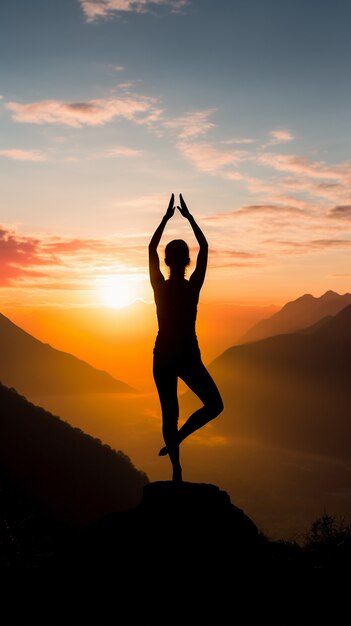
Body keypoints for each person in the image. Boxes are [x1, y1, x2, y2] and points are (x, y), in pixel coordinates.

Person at [148, 193, 224, 482]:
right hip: (187, 355)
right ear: (187, 261)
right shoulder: (193, 287)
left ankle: (176, 467)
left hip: (164, 354)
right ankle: (178, 441)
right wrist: (190, 219)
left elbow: (151, 247)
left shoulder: (159, 286)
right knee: (214, 405)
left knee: (170, 413)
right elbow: (205, 246)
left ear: (167, 260)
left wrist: (166, 219)